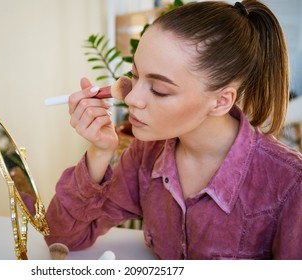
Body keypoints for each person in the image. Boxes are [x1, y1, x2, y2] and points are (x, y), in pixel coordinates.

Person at [44, 0, 302, 259]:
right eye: (135, 75)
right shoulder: (145, 155)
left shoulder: (289, 183)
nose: (132, 98)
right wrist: (100, 151)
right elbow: (61, 238)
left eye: (159, 90)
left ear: (221, 101)